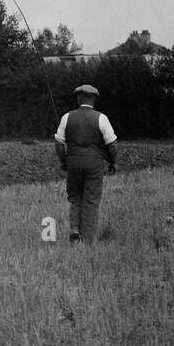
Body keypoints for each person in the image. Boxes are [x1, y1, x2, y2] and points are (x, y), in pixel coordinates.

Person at [53, 84, 118, 244]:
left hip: (73, 162)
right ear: (94, 99)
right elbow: (112, 144)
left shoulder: (67, 117)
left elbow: (59, 144)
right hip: (94, 163)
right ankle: (88, 239)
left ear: (79, 98)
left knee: (75, 197)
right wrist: (114, 162)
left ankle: (75, 229)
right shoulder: (101, 118)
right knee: (91, 199)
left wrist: (64, 162)